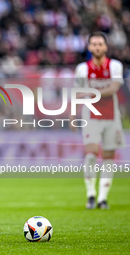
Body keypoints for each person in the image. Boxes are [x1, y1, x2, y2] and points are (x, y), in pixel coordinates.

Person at [72, 32, 125, 210]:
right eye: (94, 44)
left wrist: (90, 92)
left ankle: (103, 197)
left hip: (112, 115)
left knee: (109, 156)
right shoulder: (82, 69)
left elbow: (114, 88)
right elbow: (76, 92)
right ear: (89, 47)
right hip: (90, 115)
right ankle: (91, 195)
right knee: (91, 152)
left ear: (105, 47)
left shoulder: (115, 66)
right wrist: (73, 113)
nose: (97, 47)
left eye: (100, 44)